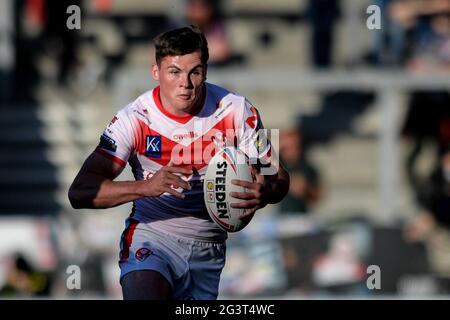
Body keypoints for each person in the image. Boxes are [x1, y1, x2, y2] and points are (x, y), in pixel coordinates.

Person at [68, 26, 289, 300]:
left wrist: (265, 190)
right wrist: (145, 187)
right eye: (174, 72)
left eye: (194, 71)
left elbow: (279, 177)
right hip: (152, 238)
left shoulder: (236, 110)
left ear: (206, 71)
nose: (185, 83)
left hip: (208, 249)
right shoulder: (134, 119)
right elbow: (80, 192)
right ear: (156, 72)